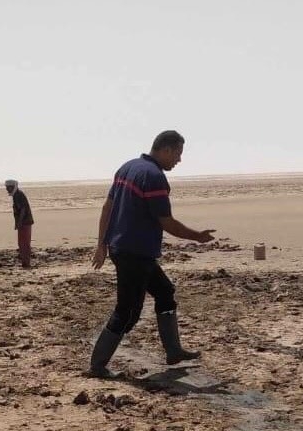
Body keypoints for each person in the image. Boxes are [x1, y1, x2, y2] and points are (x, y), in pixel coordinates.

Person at [89, 130, 216, 378]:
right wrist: (197, 236)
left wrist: (102, 244)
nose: (178, 160)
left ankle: (174, 351)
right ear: (165, 150)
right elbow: (166, 222)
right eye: (178, 154)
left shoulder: (128, 167)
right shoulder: (154, 177)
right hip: (134, 252)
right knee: (127, 312)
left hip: (123, 248)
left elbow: (107, 206)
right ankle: (97, 365)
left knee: (165, 292)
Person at [5, 179, 34, 267]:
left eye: (8, 187)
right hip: (24, 222)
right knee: (22, 243)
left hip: (25, 222)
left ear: (12, 187)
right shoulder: (16, 195)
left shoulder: (18, 195)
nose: (7, 189)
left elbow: (22, 210)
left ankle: (26, 263)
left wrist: (19, 223)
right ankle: (25, 262)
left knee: (24, 243)